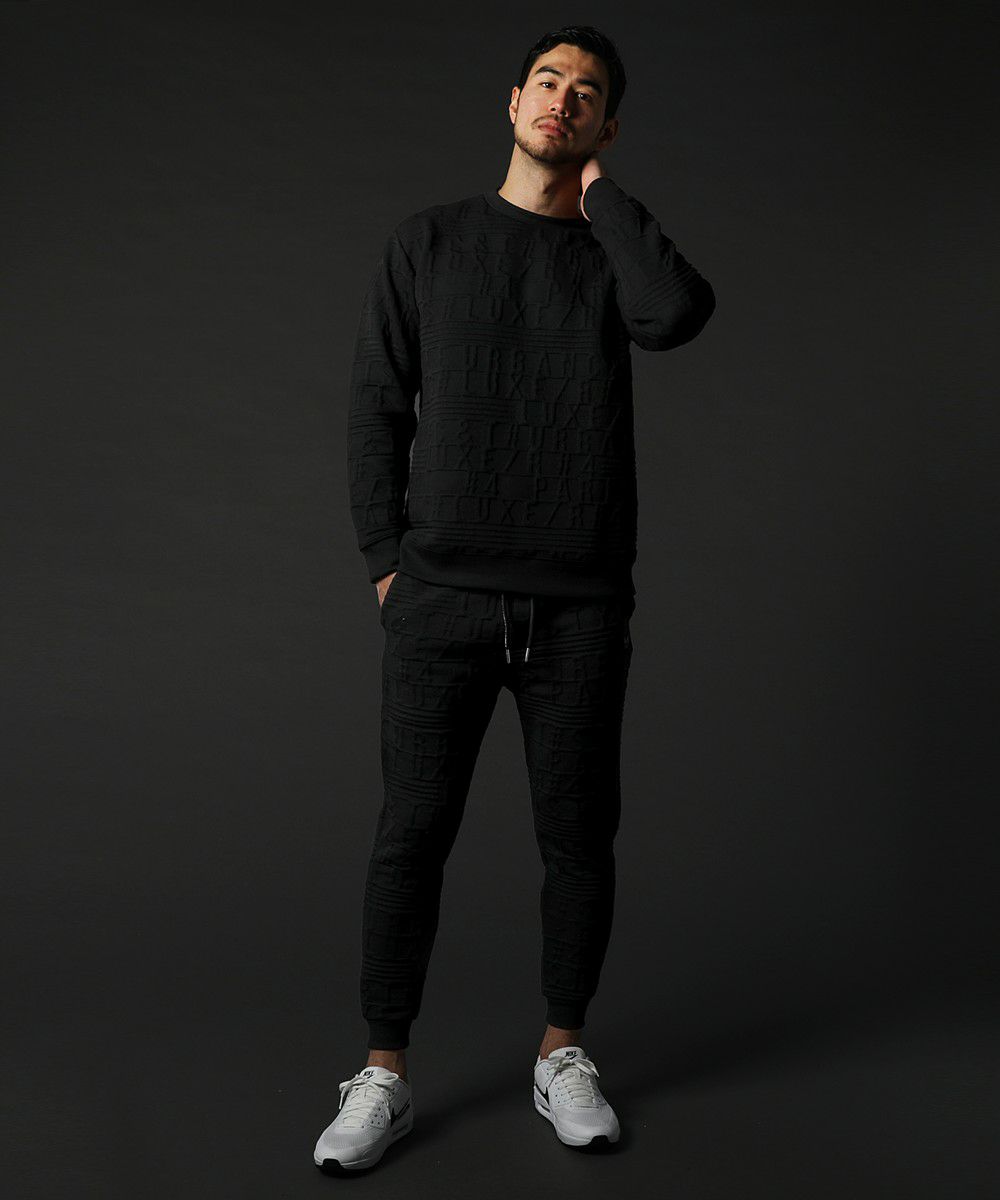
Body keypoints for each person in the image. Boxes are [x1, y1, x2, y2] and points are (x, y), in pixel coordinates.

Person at [314, 24, 716, 1172]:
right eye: (547, 81)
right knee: (409, 836)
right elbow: (375, 406)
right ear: (512, 99)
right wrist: (386, 560)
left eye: (586, 92)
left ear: (605, 125)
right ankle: (382, 1075)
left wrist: (604, 199)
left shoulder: (605, 252)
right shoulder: (429, 241)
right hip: (440, 600)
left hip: (577, 608)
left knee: (578, 839)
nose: (562, 99)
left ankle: (560, 1054)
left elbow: (674, 314)